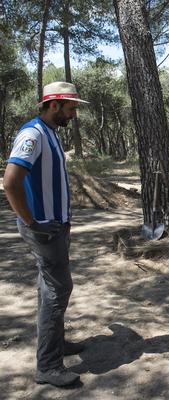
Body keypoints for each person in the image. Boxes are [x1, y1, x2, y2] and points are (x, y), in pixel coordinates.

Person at [3, 82, 89, 387]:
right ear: (54, 105)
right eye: (71, 107)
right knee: (58, 289)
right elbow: (10, 182)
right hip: (44, 229)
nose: (73, 114)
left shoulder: (50, 133)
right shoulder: (33, 134)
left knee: (49, 287)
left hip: (55, 226)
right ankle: (49, 366)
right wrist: (31, 222)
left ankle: (56, 344)